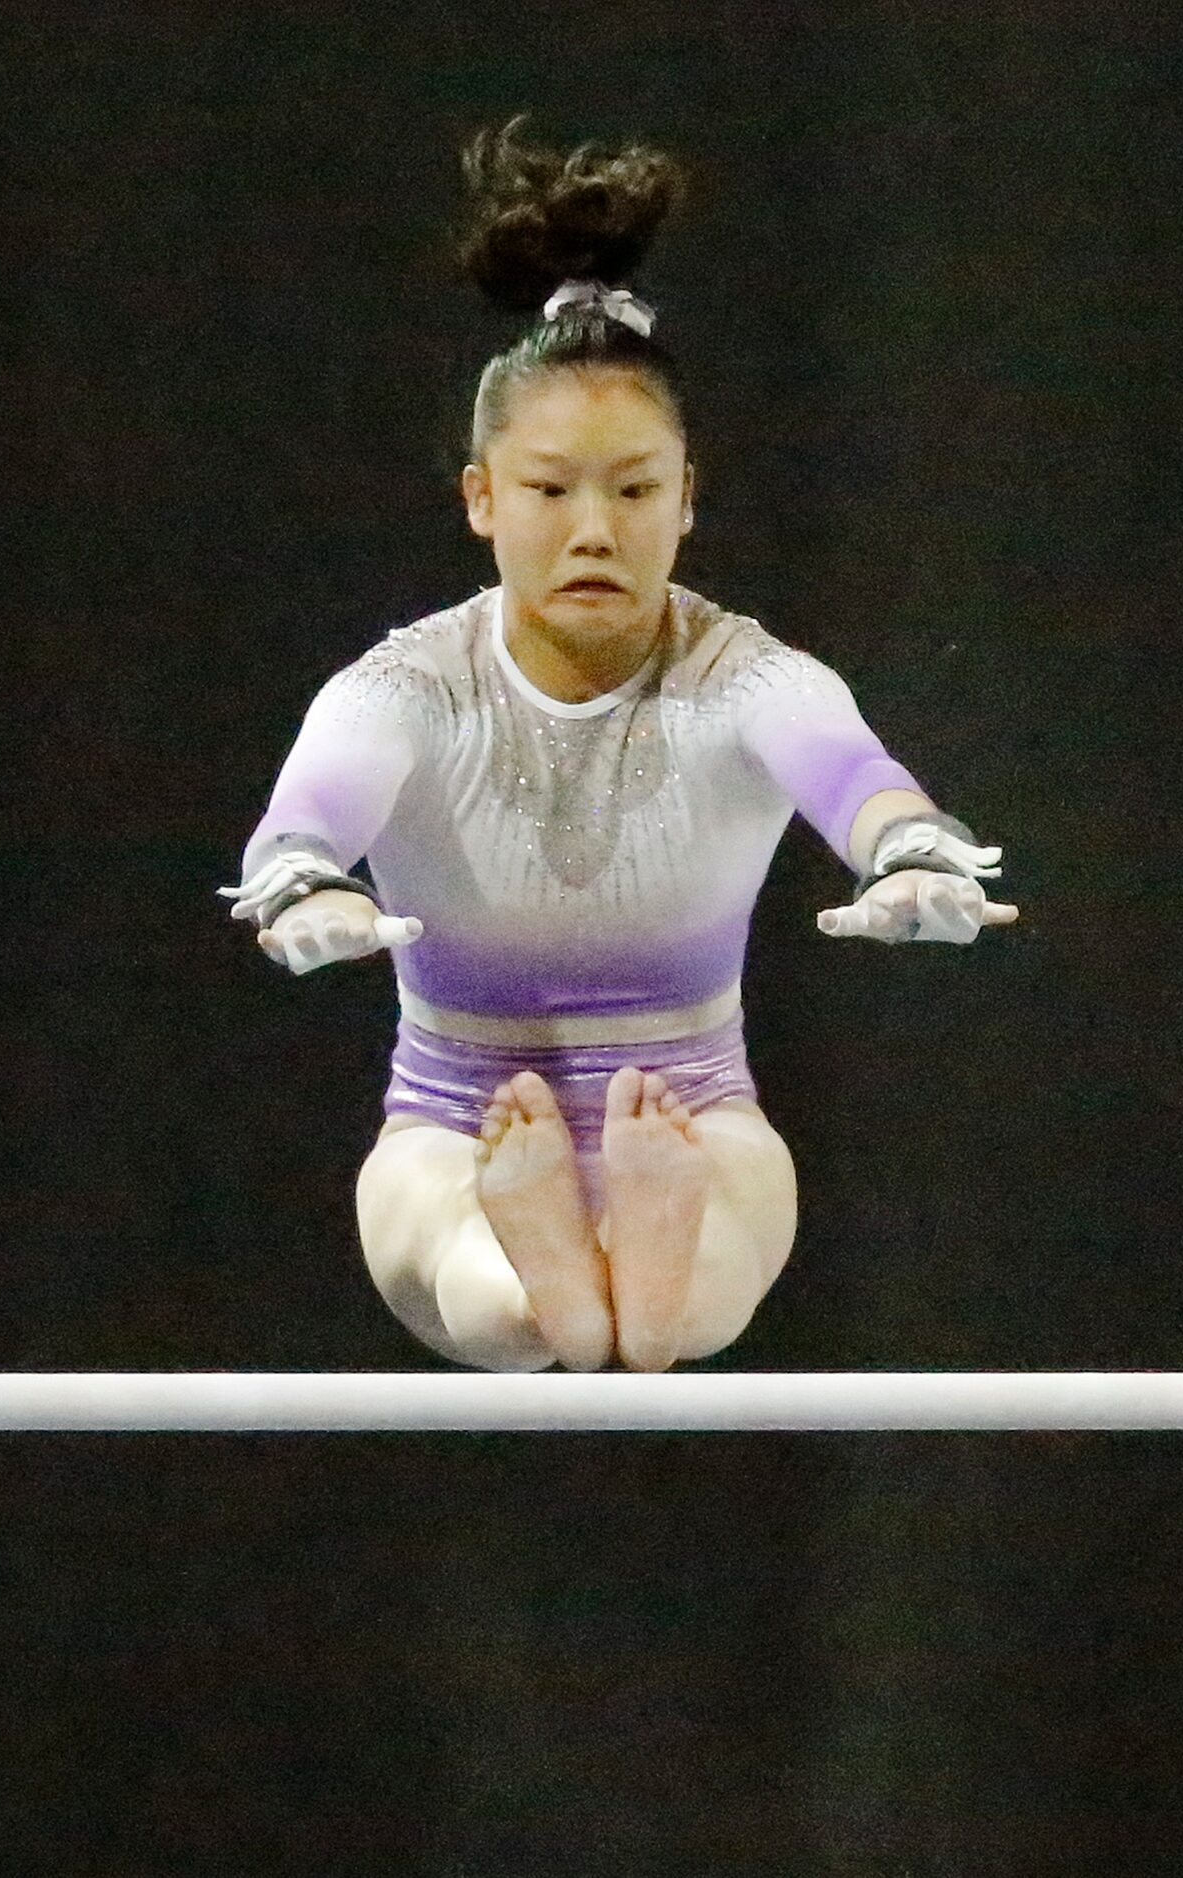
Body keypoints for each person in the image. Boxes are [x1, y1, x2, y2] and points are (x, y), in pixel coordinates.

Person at [222, 119, 1015, 1373]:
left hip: (697, 1120)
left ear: (689, 497)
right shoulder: (407, 689)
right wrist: (306, 884)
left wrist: (914, 856)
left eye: (637, 491)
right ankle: (562, 1266)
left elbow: (858, 781)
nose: (595, 530)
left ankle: (603, 1269)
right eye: (550, 491)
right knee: (501, 1303)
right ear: (482, 498)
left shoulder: (748, 680)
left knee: (674, 1308)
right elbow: (305, 821)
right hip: (453, 1122)